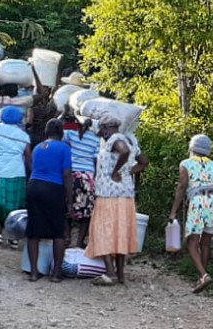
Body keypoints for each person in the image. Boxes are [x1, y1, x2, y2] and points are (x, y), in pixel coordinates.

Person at [168, 134, 213, 293]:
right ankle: (201, 278)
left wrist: (173, 211)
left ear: (191, 148)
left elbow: (182, 187)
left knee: (191, 243)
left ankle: (204, 275)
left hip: (198, 202)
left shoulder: (186, 164)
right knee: (205, 243)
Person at [86, 115, 149, 285]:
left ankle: (110, 273)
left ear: (106, 128)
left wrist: (116, 171)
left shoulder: (115, 140)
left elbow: (124, 152)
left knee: (102, 231)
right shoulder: (131, 140)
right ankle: (120, 275)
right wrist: (127, 172)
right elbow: (144, 161)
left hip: (109, 195)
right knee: (120, 233)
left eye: (102, 130)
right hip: (126, 195)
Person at [25, 118, 73, 283]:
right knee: (58, 231)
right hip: (53, 188)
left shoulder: (38, 147)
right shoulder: (64, 148)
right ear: (62, 133)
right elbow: (66, 174)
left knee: (33, 231)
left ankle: (33, 272)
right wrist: (69, 199)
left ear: (46, 132)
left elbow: (32, 165)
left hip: (33, 186)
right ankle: (56, 274)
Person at [0, 105, 31, 248]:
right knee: (15, 205)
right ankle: (14, 238)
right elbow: (27, 156)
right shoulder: (24, 135)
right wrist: (32, 174)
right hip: (18, 173)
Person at [62, 110, 99, 248]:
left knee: (67, 205)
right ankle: (79, 242)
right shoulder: (96, 139)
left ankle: (66, 236)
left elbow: (58, 132)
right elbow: (96, 160)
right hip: (87, 177)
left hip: (71, 174)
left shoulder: (69, 134)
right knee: (86, 211)